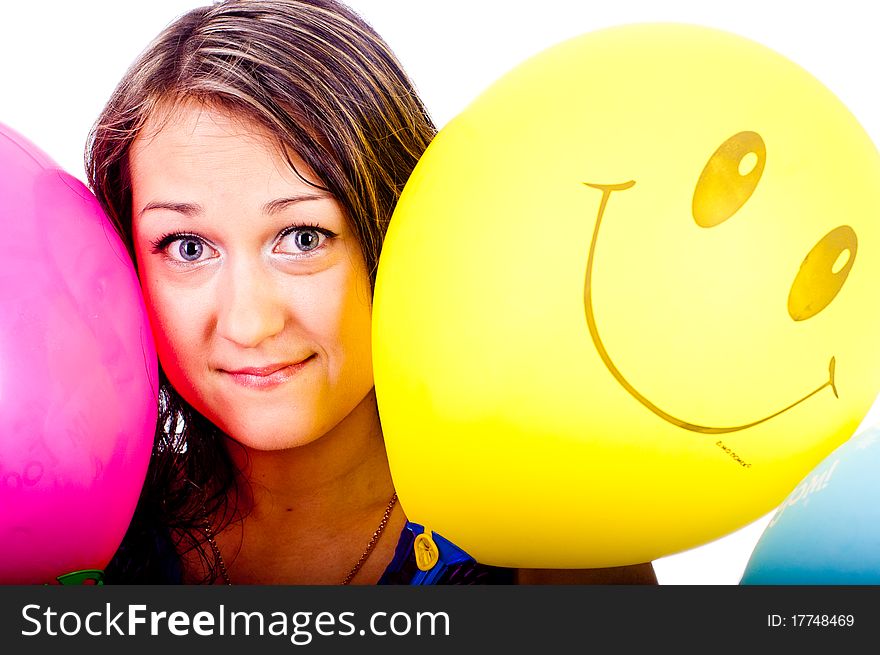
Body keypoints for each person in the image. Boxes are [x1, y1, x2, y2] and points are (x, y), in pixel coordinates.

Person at [86, 0, 657, 585]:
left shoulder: (552, 535)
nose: (248, 322)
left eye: (302, 237)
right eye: (187, 247)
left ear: (396, 232)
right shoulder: (79, 528)